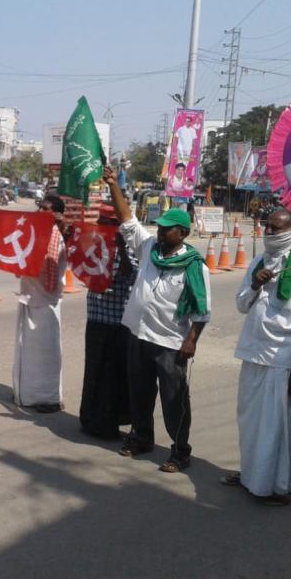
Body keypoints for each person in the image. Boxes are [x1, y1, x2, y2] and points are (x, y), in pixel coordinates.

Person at [102, 165, 211, 473]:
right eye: (160, 228)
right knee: (139, 392)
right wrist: (113, 185)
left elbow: (202, 310)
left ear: (183, 233)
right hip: (138, 334)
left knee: (174, 399)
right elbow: (128, 220)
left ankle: (180, 451)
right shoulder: (149, 247)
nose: (161, 232)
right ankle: (141, 437)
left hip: (170, 342)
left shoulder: (194, 265)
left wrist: (191, 340)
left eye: (167, 229)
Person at [221, 209, 291, 506]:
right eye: (267, 227)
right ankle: (252, 475)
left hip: (283, 358)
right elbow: (241, 306)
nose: (268, 233)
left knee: (279, 427)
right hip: (253, 351)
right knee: (250, 420)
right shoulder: (258, 261)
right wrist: (255, 284)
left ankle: (280, 487)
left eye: (275, 228)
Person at [80, 208, 139, 439]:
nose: (104, 226)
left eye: (109, 222)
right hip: (96, 317)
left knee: (114, 375)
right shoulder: (93, 243)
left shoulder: (132, 246)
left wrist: (121, 248)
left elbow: (131, 275)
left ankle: (111, 422)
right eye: (101, 221)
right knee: (94, 371)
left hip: (118, 321)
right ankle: (90, 418)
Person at [11, 195, 69, 412]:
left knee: (47, 354)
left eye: (46, 209)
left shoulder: (56, 239)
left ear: (55, 214)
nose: (40, 212)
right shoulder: (34, 233)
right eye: (40, 208)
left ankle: (50, 398)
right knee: (26, 350)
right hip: (28, 298)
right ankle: (27, 394)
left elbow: (48, 271)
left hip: (47, 304)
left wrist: (61, 227)